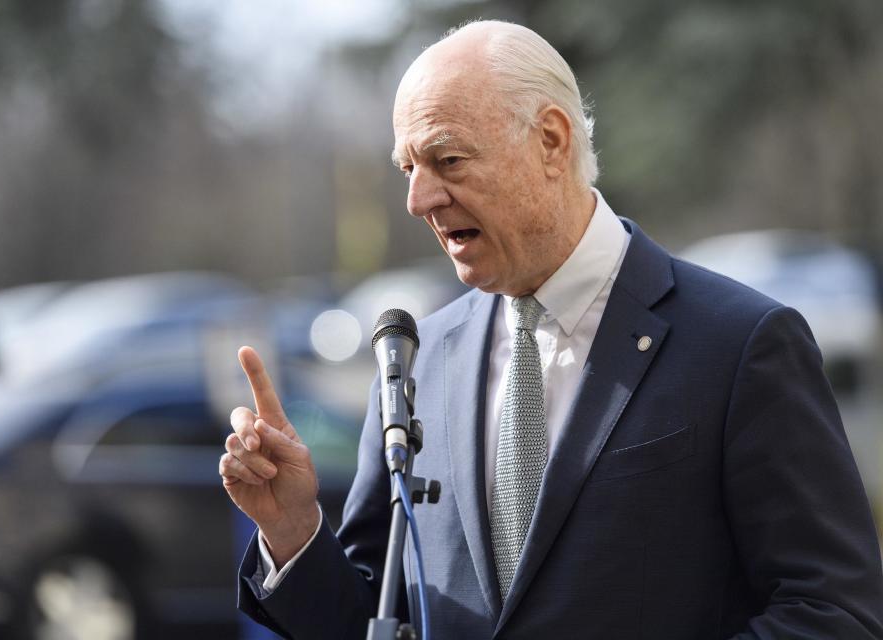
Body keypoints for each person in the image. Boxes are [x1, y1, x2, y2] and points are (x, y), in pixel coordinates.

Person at [219, 20, 883, 639]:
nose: (418, 199)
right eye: (408, 169)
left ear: (551, 141)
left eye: (447, 160)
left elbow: (833, 612)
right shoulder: (418, 362)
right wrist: (293, 530)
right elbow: (374, 617)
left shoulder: (741, 344)